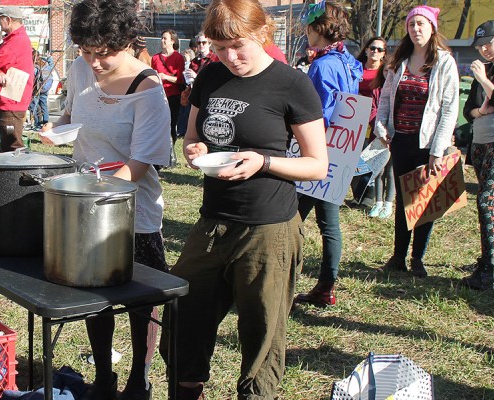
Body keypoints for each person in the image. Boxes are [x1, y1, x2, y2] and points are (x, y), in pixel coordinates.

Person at [160, 0, 328, 397]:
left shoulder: (292, 84)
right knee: (183, 318)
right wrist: (194, 150)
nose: (230, 57)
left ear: (261, 33)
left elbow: (317, 165)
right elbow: (193, 137)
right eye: (220, 48)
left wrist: (263, 161)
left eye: (238, 46)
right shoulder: (210, 76)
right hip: (213, 222)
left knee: (261, 332)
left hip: (268, 227)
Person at [42, 0, 171, 398]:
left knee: (141, 303)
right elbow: (70, 116)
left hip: (132, 211)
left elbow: (141, 163)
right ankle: (103, 376)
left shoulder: (148, 90)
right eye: (86, 51)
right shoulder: (81, 69)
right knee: (93, 296)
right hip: (84, 202)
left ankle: (139, 377)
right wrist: (54, 128)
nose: (94, 62)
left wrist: (95, 195)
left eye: (103, 53)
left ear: (127, 43)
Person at [374, 5, 459, 278]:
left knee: (424, 202)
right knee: (403, 199)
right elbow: (386, 98)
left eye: (421, 24)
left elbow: (449, 108)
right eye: (411, 24)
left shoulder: (444, 62)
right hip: (401, 140)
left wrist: (437, 150)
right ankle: (398, 256)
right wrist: (380, 124)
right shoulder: (399, 61)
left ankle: (417, 259)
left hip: (428, 145)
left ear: (432, 28)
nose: (416, 29)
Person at [293, 0, 362, 308]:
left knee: (289, 219)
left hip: (319, 150)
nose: (306, 33)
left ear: (318, 29)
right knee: (329, 224)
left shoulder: (323, 65)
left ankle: (284, 284)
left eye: (308, 27)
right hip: (341, 150)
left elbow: (315, 113)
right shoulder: (347, 59)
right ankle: (326, 286)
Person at [459, 21, 494, 290]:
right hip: (480, 143)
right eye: (479, 46)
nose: (483, 50)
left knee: (487, 200)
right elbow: (469, 110)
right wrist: (481, 110)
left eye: (488, 44)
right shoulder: (487, 66)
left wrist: (483, 80)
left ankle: (488, 268)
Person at [0, 7, 34, 152]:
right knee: (7, 144)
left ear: (8, 20)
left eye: (1, 19)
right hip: (9, 101)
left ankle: (17, 168)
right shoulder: (13, 40)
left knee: (12, 146)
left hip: (11, 102)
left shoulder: (17, 41)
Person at [355, 37, 394, 218]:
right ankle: (359, 194)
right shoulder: (356, 68)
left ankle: (370, 198)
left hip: (376, 123)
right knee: (357, 159)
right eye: (372, 47)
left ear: (384, 53)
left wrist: (377, 124)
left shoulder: (386, 74)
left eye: (380, 49)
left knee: (375, 161)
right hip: (355, 119)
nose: (375, 51)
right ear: (366, 49)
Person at [151, 29, 184, 165]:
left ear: (172, 41)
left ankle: (171, 154)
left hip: (173, 95)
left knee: (171, 124)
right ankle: (160, 154)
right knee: (159, 125)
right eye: (162, 38)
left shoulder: (178, 57)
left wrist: (166, 77)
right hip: (158, 95)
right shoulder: (155, 58)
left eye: (165, 38)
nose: (162, 40)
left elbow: (180, 79)